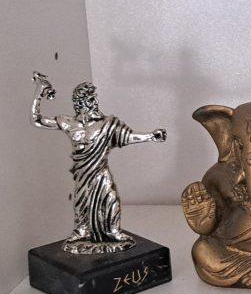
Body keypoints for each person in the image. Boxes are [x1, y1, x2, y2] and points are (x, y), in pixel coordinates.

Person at [31, 74, 166, 253]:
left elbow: (128, 137)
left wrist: (150, 136)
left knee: (111, 198)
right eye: (91, 99)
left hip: (101, 173)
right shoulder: (68, 122)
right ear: (82, 103)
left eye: (94, 98)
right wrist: (39, 92)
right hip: (83, 175)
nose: (96, 102)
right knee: (82, 202)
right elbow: (37, 120)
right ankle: (81, 232)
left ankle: (113, 232)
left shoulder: (107, 124)